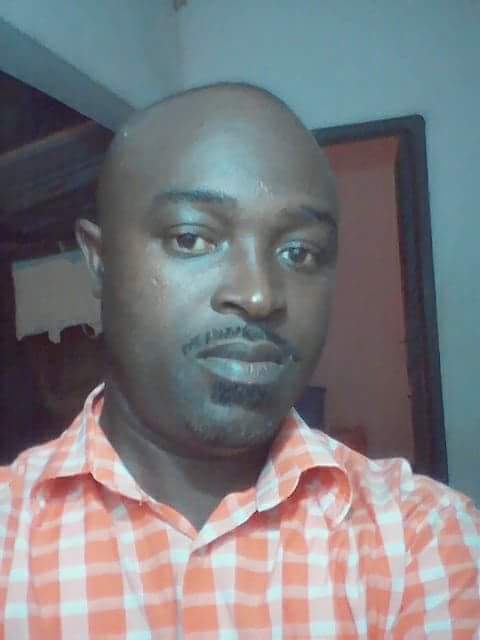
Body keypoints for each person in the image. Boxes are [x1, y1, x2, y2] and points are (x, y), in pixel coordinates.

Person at [1, 83, 478, 639]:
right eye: (192, 239)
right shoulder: (10, 538)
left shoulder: (423, 540)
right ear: (100, 261)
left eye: (298, 252)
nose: (258, 295)